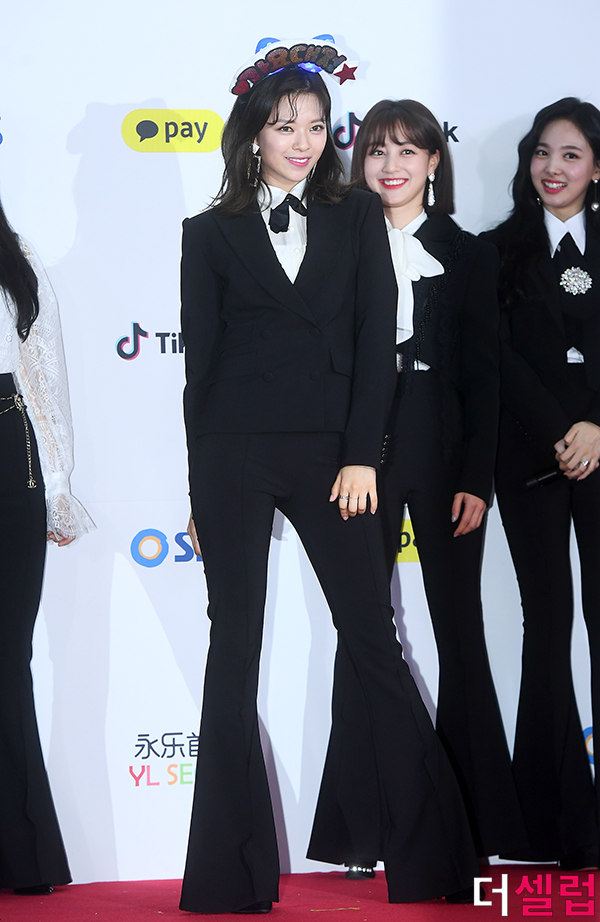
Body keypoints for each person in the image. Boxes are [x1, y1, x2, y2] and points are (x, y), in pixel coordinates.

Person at [179, 44, 480, 914]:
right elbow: (200, 372)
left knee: (374, 642)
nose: (304, 142)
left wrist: (362, 455)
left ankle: (433, 864)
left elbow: (377, 345)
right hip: (234, 455)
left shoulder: (357, 219)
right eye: (286, 128)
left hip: (333, 458)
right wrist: (198, 490)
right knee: (232, 649)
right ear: (254, 135)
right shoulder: (208, 233)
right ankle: (227, 880)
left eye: (316, 127)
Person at [308, 99, 527, 871]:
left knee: (459, 628)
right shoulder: (333, 242)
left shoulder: (467, 254)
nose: (391, 165)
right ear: (358, 162)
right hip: (357, 446)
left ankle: (480, 825)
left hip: (439, 440)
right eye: (377, 150)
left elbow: (483, 377)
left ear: (435, 161)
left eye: (408, 150)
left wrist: (476, 479)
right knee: (363, 630)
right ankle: (362, 832)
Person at [482, 97, 600, 868]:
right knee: (547, 623)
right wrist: (563, 430)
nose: (552, 169)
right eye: (542, 153)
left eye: (571, 155)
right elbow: (497, 357)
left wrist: (595, 426)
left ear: (596, 168)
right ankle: (553, 826)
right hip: (529, 456)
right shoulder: (496, 251)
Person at [0, 203, 94, 893]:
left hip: (9, 453)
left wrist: (57, 485)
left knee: (8, 659)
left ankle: (19, 852)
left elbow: (43, 375)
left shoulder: (16, 258)